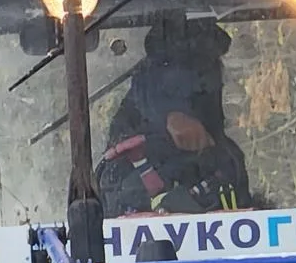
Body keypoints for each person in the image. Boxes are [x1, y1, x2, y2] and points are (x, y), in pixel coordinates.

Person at [96, 13, 252, 218]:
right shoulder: (123, 158)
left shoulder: (227, 159)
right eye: (202, 74)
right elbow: (104, 230)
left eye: (210, 72)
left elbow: (255, 222)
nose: (212, 83)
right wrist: (172, 113)